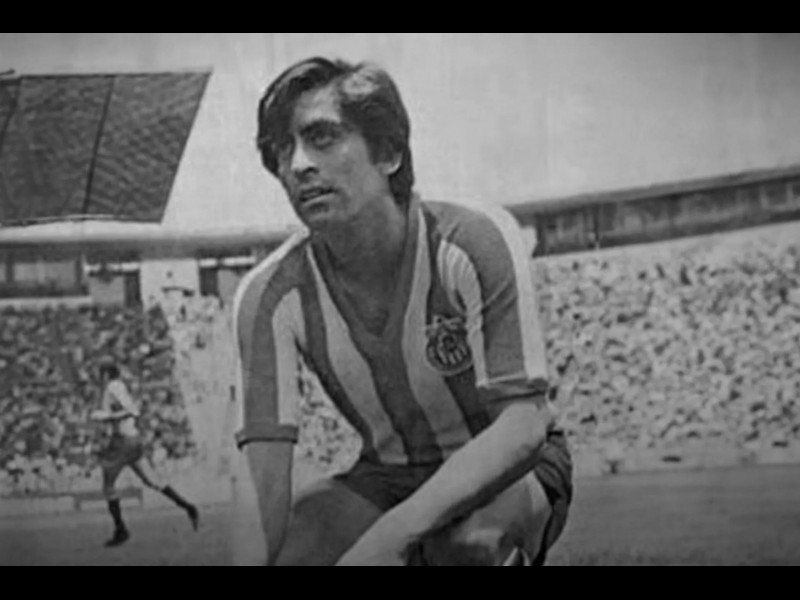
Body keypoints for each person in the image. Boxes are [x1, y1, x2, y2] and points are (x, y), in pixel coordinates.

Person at [231, 57, 573, 566]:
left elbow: (523, 425)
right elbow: (263, 475)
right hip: (387, 474)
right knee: (297, 553)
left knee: (465, 547)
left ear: (389, 152)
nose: (298, 164)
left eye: (322, 138)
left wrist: (388, 538)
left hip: (512, 468)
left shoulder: (472, 239)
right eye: (282, 149)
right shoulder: (268, 294)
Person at [92, 362, 200, 548]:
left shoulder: (113, 386)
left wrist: (106, 417)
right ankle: (188, 507)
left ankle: (121, 530)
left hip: (122, 442)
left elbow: (132, 410)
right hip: (132, 440)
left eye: (99, 373)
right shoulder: (116, 386)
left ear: (106, 374)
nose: (97, 376)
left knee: (108, 487)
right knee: (152, 481)